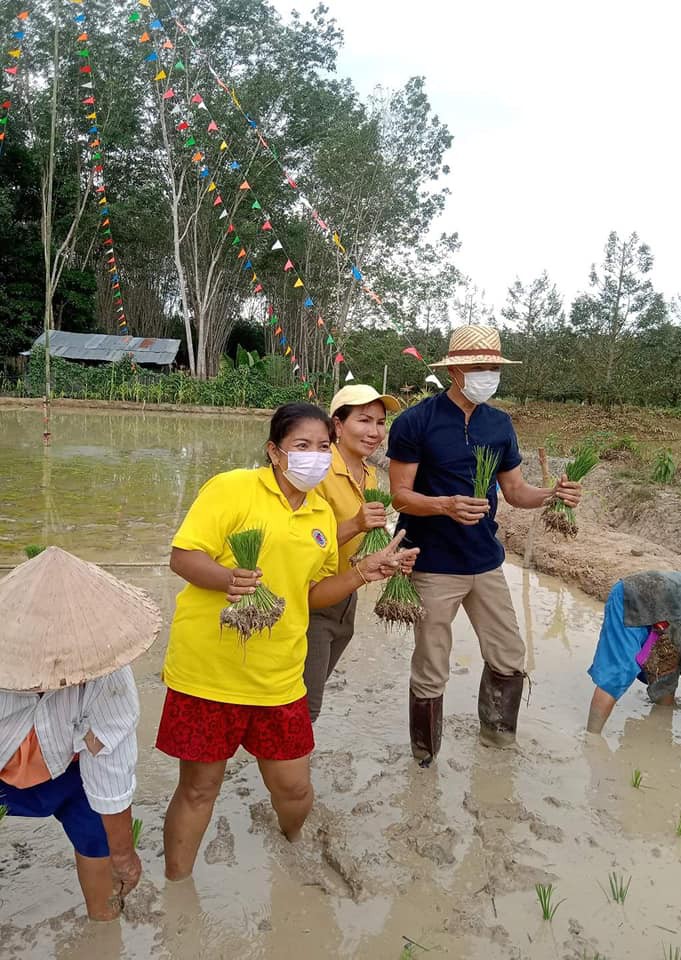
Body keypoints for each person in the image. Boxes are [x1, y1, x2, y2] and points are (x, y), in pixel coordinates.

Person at [157, 402, 418, 880]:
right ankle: (178, 890)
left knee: (295, 789)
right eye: (302, 446)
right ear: (275, 452)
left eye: (323, 447)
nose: (314, 457)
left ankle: (293, 844)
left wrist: (364, 571)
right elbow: (182, 556)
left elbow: (313, 594)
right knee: (199, 789)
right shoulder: (232, 488)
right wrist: (226, 578)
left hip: (279, 675)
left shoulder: (321, 514)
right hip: (209, 672)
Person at [387, 324, 582, 763]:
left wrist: (553, 494)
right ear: (456, 370)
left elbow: (514, 491)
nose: (489, 374)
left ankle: (497, 742)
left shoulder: (499, 424)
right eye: (481, 366)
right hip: (432, 562)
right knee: (432, 663)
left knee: (509, 654)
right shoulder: (416, 421)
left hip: (485, 561)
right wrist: (444, 506)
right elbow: (400, 494)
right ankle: (425, 756)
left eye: (494, 366)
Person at [0, 546, 161, 920]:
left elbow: (110, 764)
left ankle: (103, 933)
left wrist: (124, 855)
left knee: (102, 851)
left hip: (74, 776)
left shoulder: (107, 673)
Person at [304, 384, 401, 722]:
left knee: (303, 701)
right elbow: (299, 542)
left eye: (380, 422)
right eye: (364, 420)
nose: (374, 432)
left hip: (347, 598)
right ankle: (285, 775)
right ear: (338, 426)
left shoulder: (370, 472)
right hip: (311, 601)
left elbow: (365, 538)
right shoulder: (317, 470)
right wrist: (355, 524)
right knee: (305, 708)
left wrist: (389, 557)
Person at [586, 570, 681, 734]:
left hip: (667, 613)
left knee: (667, 682)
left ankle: (658, 734)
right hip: (636, 599)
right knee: (619, 673)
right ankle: (591, 739)